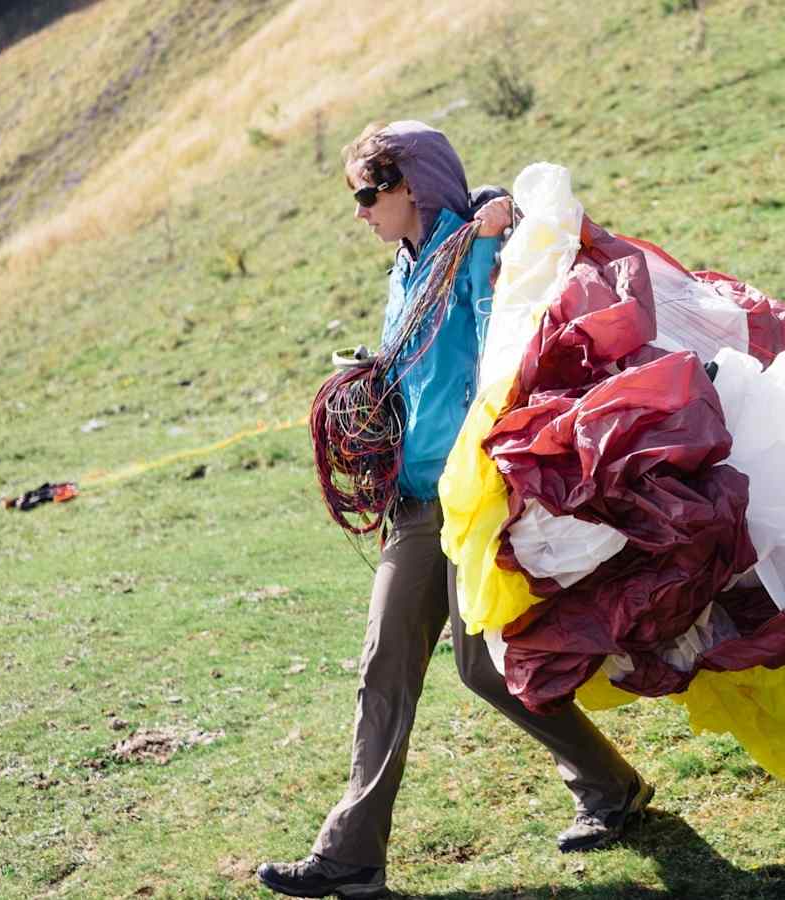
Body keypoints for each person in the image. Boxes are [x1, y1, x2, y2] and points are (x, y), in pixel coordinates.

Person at [258, 121, 652, 899]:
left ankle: (613, 788)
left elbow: (505, 332)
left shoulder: (474, 245)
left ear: (412, 186)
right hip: (415, 501)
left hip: (470, 498)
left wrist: (491, 205)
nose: (362, 212)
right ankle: (352, 856)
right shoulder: (403, 272)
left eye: (370, 194)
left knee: (484, 671)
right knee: (384, 665)